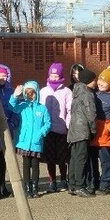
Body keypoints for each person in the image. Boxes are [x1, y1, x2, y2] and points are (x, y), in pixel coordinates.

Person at [11, 81, 51, 197]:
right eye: (28, 93)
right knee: (25, 165)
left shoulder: (42, 108)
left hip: (36, 142)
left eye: (32, 93)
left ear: (36, 93)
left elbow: (48, 123)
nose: (30, 95)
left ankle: (35, 187)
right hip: (24, 142)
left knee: (35, 165)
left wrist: (41, 133)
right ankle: (27, 187)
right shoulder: (23, 106)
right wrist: (15, 95)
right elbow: (12, 106)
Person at [39, 62, 72, 192]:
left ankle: (63, 179)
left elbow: (70, 110)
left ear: (61, 76)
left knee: (63, 157)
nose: (54, 78)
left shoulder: (66, 91)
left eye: (56, 76)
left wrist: (68, 124)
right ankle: (52, 180)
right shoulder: (43, 91)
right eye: (52, 75)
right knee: (50, 157)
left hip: (62, 129)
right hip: (47, 130)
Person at [67, 64, 99, 197]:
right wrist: (93, 130)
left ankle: (73, 185)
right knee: (81, 158)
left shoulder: (77, 91)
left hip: (74, 130)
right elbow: (91, 114)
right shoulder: (87, 94)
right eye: (94, 80)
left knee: (74, 158)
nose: (96, 82)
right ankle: (80, 186)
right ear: (88, 81)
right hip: (82, 130)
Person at [0, 64, 18, 199]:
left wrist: (12, 123)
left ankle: (2, 185)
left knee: (3, 161)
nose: (1, 78)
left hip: (6, 130)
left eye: (4, 75)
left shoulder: (11, 91)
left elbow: (15, 109)